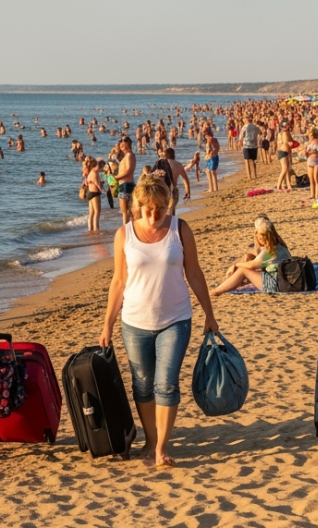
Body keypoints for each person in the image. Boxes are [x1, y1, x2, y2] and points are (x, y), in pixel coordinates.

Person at [99, 176, 219, 467]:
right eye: (148, 208)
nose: (154, 215)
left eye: (160, 209)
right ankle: (150, 439)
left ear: (168, 205)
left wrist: (209, 313)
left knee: (166, 384)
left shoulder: (181, 230)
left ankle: (162, 447)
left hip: (176, 319)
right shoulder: (123, 235)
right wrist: (107, 324)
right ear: (137, 205)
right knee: (142, 385)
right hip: (134, 322)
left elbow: (194, 274)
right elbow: (118, 281)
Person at [209, 217, 293, 295]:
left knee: (243, 270)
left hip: (275, 285)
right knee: (250, 266)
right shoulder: (281, 248)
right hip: (283, 281)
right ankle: (232, 283)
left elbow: (251, 265)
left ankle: (216, 291)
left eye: (258, 237)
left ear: (262, 238)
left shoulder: (268, 252)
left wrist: (236, 265)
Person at [115, 137, 137, 224]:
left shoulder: (129, 155)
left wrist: (116, 178)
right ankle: (129, 230)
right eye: (121, 146)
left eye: (123, 146)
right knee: (128, 211)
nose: (121, 147)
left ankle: (126, 232)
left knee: (125, 212)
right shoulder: (128, 156)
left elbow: (129, 171)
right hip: (125, 184)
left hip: (125, 185)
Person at [82, 158, 104, 232]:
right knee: (97, 212)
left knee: (91, 213)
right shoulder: (94, 173)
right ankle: (96, 229)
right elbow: (98, 185)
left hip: (90, 193)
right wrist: (103, 190)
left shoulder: (90, 173)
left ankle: (90, 229)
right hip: (95, 193)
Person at [304, 128, 318, 200]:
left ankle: (317, 194)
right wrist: (308, 152)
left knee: (316, 179)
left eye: (311, 135)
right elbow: (306, 153)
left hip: (317, 161)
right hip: (310, 160)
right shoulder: (308, 143)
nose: (310, 136)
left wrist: (313, 152)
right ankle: (312, 194)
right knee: (311, 179)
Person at [203, 127, 221, 194]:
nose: (204, 133)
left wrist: (212, 153)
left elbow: (216, 148)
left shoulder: (211, 139)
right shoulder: (210, 139)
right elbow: (217, 147)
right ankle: (212, 188)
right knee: (209, 171)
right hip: (211, 157)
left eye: (205, 132)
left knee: (212, 172)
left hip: (212, 157)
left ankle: (213, 188)